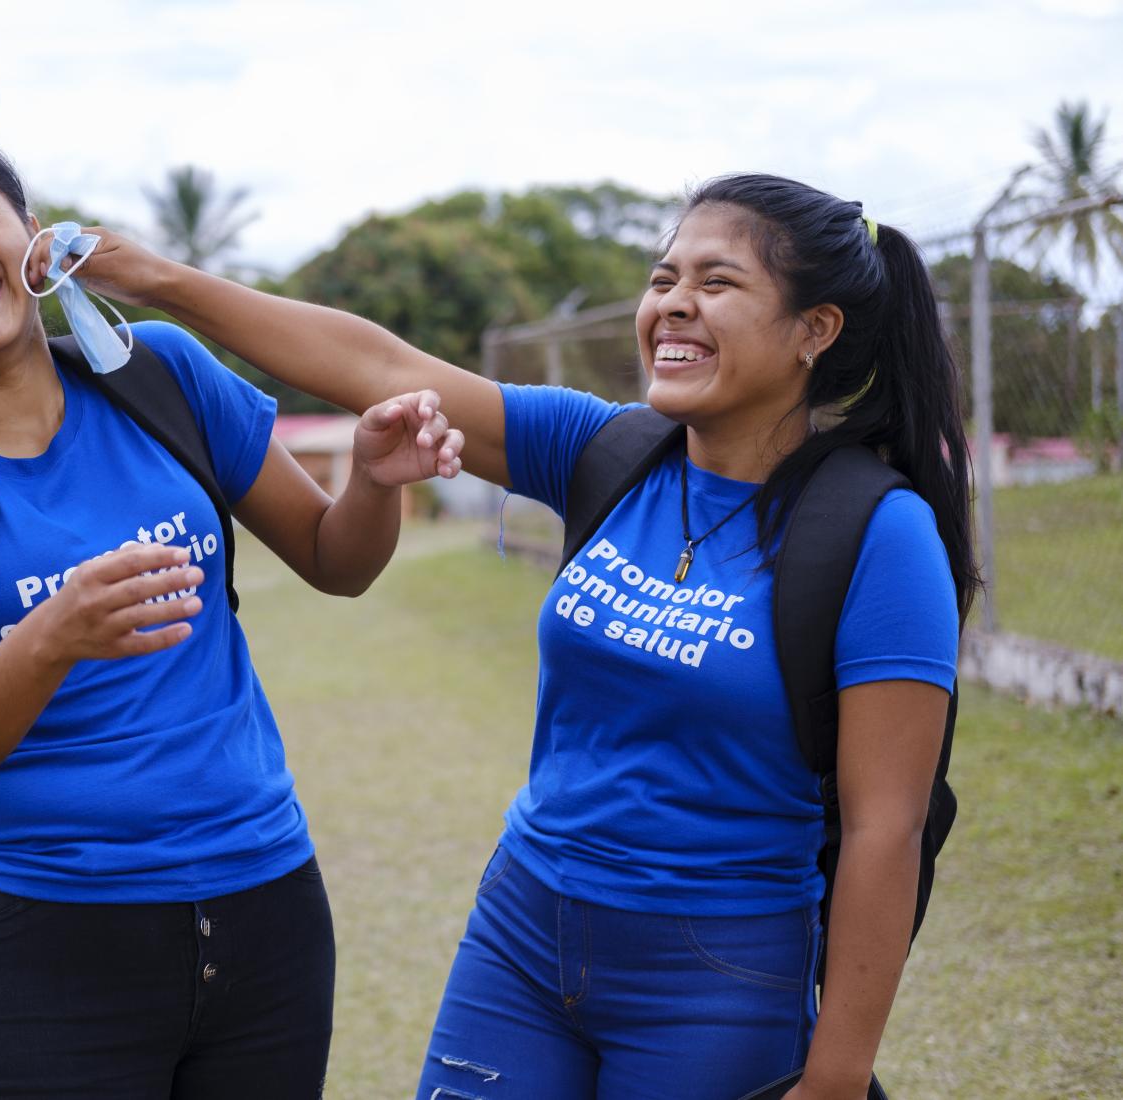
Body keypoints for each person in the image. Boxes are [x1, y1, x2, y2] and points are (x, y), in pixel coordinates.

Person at [50, 173, 977, 1099]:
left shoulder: (876, 534)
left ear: (816, 330)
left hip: (716, 974)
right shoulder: (604, 450)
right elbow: (375, 365)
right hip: (523, 936)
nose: (674, 306)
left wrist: (837, 1079)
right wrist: (161, 281)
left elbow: (882, 829)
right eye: (663, 279)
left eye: (718, 283)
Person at [0, 120, 464, 1100]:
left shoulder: (160, 372)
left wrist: (373, 482)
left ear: (32, 234)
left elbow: (336, 559)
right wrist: (50, 639)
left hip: (270, 905)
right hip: (51, 937)